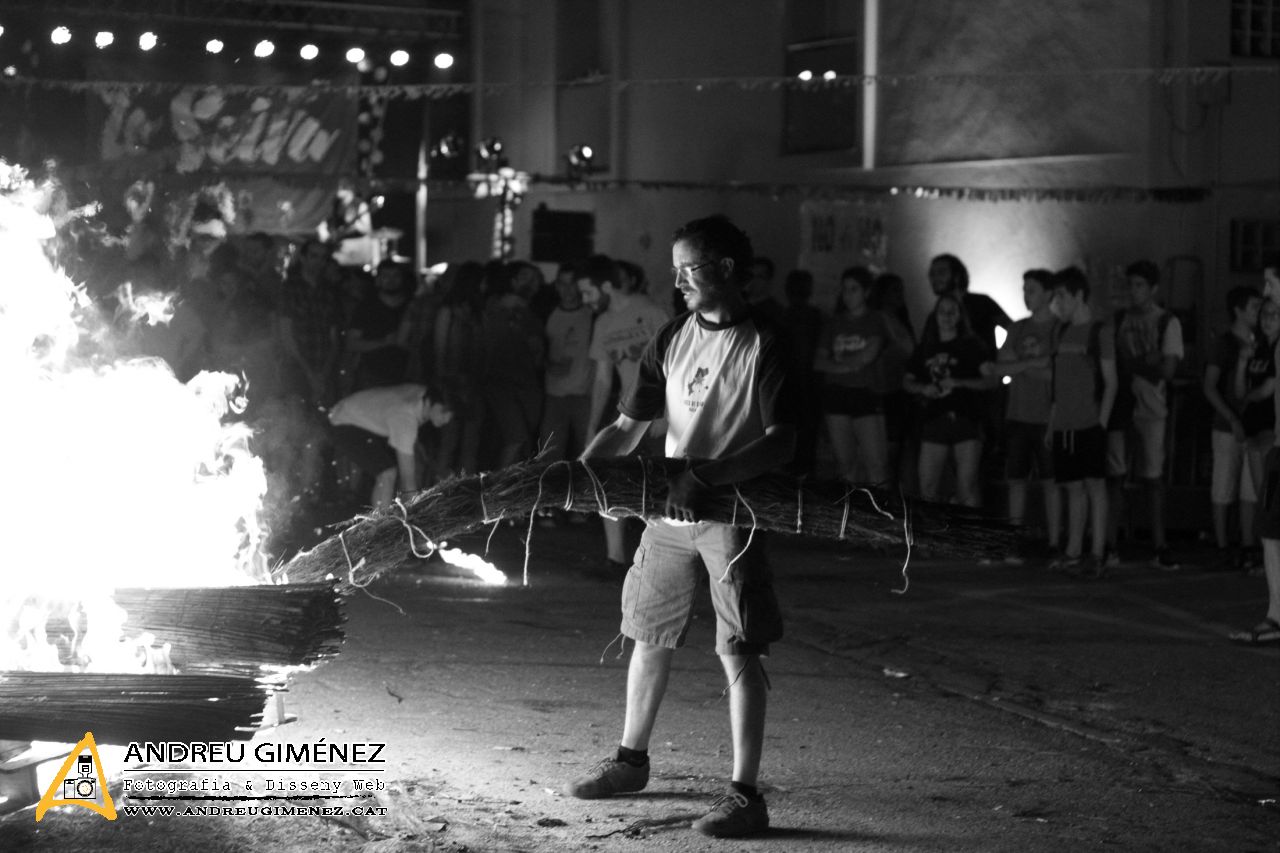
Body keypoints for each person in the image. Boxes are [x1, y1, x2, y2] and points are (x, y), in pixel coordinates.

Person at [564, 216, 795, 839]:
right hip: (669, 513)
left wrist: (711, 478)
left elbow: (781, 443)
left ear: (723, 268)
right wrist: (585, 475)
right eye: (675, 269)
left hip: (732, 516)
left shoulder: (767, 342)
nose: (679, 281)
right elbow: (628, 426)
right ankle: (630, 760)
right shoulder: (670, 337)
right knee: (648, 631)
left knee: (740, 647)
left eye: (688, 269)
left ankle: (747, 794)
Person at [580, 254, 670, 570]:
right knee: (610, 478)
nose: (585, 299)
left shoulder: (651, 312)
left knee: (662, 487)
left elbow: (675, 365)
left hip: (660, 414)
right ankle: (615, 557)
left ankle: (663, 559)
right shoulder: (603, 322)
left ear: (607, 285)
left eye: (588, 291)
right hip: (626, 414)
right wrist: (593, 425)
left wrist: (667, 413)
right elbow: (604, 378)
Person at [1105, 261, 1185, 570]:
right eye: (1131, 285)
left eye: (1140, 285)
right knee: (1116, 476)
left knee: (1153, 477)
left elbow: (1168, 368)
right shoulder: (1119, 319)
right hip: (1122, 405)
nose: (1134, 291)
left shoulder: (1166, 321)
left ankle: (1159, 544)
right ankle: (1111, 543)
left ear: (1153, 289)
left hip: (1151, 408)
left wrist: (1135, 364)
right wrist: (1146, 361)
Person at [982, 270, 1061, 559]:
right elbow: (999, 367)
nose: (1026, 295)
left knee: (1051, 481)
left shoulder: (1058, 329)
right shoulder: (1016, 328)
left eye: (1032, 290)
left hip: (1046, 416)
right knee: (1016, 479)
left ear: (1049, 294)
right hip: (1017, 415)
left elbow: (1057, 373)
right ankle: (1013, 542)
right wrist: (1035, 364)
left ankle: (1054, 544)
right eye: (1025, 289)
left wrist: (1020, 364)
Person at [1046, 267, 1117, 577]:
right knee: (1073, 488)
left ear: (1078, 295)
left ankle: (1097, 552)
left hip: (1089, 424)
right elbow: (1057, 386)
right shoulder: (1060, 332)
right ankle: (1074, 551)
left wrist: (1100, 423)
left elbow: (1111, 381)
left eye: (1061, 295)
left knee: (1095, 487)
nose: (1057, 303)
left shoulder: (1099, 332)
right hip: (1064, 425)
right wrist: (1052, 425)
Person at [814, 266, 906, 484]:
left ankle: (880, 512)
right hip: (837, 395)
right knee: (845, 464)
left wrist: (838, 364)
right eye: (845, 289)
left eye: (854, 289)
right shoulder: (834, 322)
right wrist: (848, 366)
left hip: (866, 394)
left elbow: (869, 354)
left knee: (877, 464)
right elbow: (818, 361)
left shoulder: (875, 319)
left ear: (866, 292)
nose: (848, 294)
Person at [904, 292, 996, 507]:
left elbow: (991, 380)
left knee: (967, 486)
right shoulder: (925, 347)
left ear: (960, 316)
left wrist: (960, 383)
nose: (946, 316)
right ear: (934, 315)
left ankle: (972, 534)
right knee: (927, 485)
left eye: (952, 311)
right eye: (942, 311)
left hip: (966, 420)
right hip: (934, 419)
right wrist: (924, 388)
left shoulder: (972, 346)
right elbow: (907, 381)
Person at [1231, 261, 1280, 645]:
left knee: (1272, 533)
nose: (1265, 291)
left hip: (1277, 443)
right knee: (1270, 531)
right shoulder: (1267, 345)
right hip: (1272, 442)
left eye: (1270, 282)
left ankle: (1276, 617)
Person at [1203, 285, 1263, 565]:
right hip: (1227, 426)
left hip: (1254, 426)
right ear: (1238, 310)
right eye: (1253, 306)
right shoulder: (1225, 344)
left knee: (1250, 488)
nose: (1259, 312)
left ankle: (1247, 544)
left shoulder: (1261, 341)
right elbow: (1210, 386)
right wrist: (1231, 418)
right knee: (1223, 485)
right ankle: (1222, 544)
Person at [328, 384, 453, 509]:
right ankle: (380, 525)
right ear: (429, 402)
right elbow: (407, 480)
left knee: (390, 469)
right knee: (387, 473)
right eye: (444, 411)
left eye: (451, 414)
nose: (447, 419)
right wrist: (418, 513)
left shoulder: (422, 394)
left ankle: (382, 520)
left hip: (358, 418)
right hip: (343, 422)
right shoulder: (405, 418)